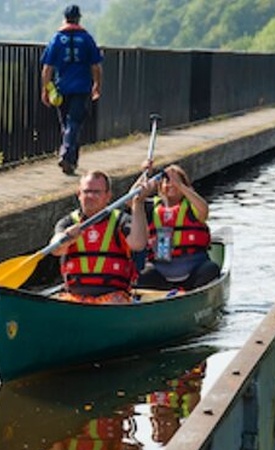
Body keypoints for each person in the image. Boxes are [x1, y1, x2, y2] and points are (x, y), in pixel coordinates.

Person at [51, 170, 148, 303]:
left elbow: (138, 243)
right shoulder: (68, 222)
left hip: (113, 297)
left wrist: (138, 204)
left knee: (115, 301)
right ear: (79, 195)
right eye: (86, 191)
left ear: (108, 196)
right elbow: (55, 249)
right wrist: (67, 237)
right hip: (76, 298)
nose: (90, 196)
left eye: (96, 192)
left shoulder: (120, 220)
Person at [136, 163, 220, 291]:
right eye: (167, 181)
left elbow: (204, 211)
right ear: (160, 187)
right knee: (142, 276)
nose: (171, 185)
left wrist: (181, 186)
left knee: (211, 270)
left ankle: (194, 297)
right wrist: (144, 175)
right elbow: (132, 200)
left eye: (175, 181)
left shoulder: (192, 206)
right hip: (161, 269)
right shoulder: (151, 207)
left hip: (194, 267)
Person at [40, 5, 103, 176]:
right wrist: (97, 84)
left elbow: (47, 68)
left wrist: (45, 89)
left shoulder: (57, 39)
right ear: (78, 19)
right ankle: (68, 155)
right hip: (82, 88)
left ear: (65, 19)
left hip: (62, 88)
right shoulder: (87, 39)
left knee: (66, 125)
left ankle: (70, 161)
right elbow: (96, 66)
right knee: (74, 123)